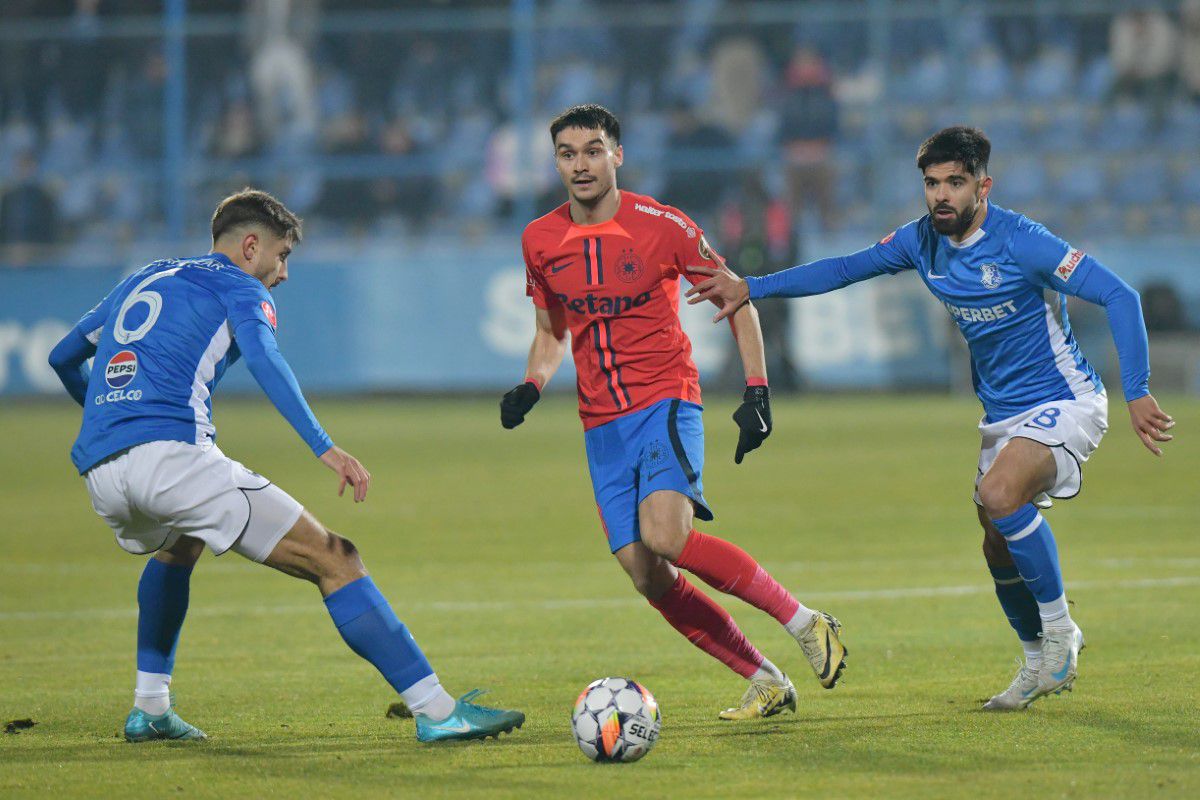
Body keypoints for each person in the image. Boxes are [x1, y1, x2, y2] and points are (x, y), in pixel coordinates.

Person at [685, 127, 1174, 711]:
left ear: (983, 187)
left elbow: (1121, 296)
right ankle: (1036, 660)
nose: (941, 195)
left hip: (1066, 399)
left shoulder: (1024, 242)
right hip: (1002, 415)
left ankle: (1061, 632)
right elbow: (844, 269)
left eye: (955, 183)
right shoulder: (920, 241)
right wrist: (752, 286)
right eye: (932, 183)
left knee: (999, 494)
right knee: (996, 544)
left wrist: (1137, 392)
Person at [47, 188, 523, 743]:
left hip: (102, 471)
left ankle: (150, 709)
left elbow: (63, 356)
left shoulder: (145, 276)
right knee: (336, 558)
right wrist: (325, 447)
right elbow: (264, 357)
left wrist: (115, 420)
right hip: (171, 459)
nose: (284, 273)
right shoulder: (240, 286)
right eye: (283, 255)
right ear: (251, 246)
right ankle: (438, 712)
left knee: (180, 544)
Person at [500, 104, 846, 720]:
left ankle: (804, 621)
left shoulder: (664, 225)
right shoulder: (539, 240)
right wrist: (531, 383)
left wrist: (757, 390)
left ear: (617, 155)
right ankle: (765, 678)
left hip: (664, 399)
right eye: (567, 154)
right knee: (646, 573)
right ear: (555, 163)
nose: (581, 165)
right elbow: (551, 331)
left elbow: (738, 300)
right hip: (600, 424)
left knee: (667, 536)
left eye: (593, 150)